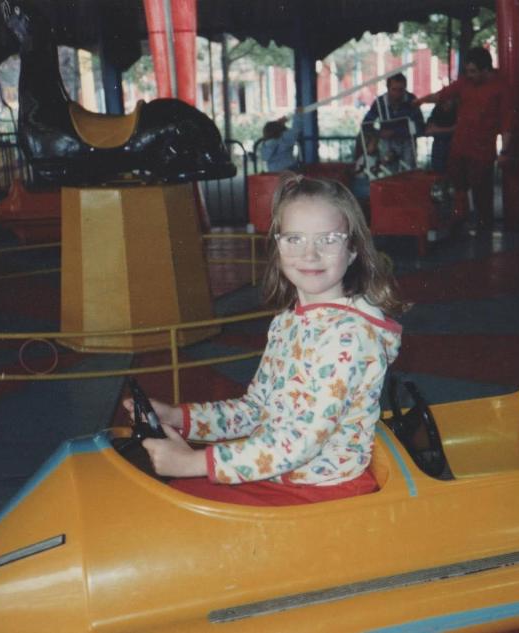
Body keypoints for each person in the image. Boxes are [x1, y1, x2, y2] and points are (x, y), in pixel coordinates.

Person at [124, 173, 406, 506]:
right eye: (295, 239)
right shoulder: (288, 321)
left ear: (354, 248)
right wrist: (179, 418)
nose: (310, 254)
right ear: (278, 244)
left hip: (319, 488)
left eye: (329, 239)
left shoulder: (350, 337)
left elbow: (300, 441)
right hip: (277, 473)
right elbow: (256, 410)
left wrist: (193, 463)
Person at [415, 48, 510, 233]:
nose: (469, 75)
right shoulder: (465, 83)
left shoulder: (501, 89)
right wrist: (419, 101)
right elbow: (442, 95)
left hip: (482, 151)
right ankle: (458, 223)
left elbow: (507, 124)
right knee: (456, 189)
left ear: (486, 70)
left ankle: (484, 231)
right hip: (459, 147)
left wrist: (504, 151)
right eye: (467, 71)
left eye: (473, 71)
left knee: (482, 193)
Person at [362, 73, 425, 171]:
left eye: (401, 90)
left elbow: (420, 127)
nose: (397, 94)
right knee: (388, 174)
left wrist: (395, 132)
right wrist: (378, 134)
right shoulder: (380, 102)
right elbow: (365, 125)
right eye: (394, 89)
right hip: (387, 144)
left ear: (405, 88)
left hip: (408, 143)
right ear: (388, 88)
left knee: (409, 174)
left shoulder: (412, 100)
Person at [425, 97, 457, 174]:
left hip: (454, 145)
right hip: (439, 146)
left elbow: (459, 128)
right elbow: (428, 130)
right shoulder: (437, 109)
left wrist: (438, 130)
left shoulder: (458, 110)